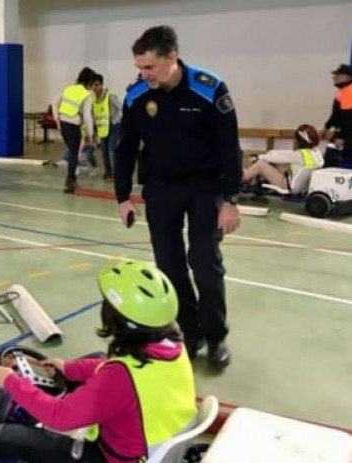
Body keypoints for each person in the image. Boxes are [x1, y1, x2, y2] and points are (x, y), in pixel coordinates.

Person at [0, 260, 197, 463]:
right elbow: (110, 369)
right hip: (153, 446)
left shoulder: (121, 376)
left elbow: (59, 416)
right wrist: (67, 368)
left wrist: (11, 381)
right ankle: (28, 401)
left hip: (116, 459)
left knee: (27, 439)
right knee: (97, 361)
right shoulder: (170, 347)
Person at [114, 25, 241, 369]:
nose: (144, 74)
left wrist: (231, 199)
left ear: (172, 57)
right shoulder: (137, 95)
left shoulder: (208, 89)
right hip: (162, 190)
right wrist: (122, 196)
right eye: (139, 67)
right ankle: (189, 334)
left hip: (205, 189)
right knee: (169, 268)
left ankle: (216, 338)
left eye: (150, 67)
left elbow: (229, 146)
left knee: (205, 264)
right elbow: (125, 147)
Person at [54, 68, 101, 193]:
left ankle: (73, 179)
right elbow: (87, 116)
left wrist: (57, 120)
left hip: (63, 125)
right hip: (74, 126)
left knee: (72, 152)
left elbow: (54, 103)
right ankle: (69, 182)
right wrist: (91, 134)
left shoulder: (68, 88)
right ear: (89, 81)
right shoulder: (87, 94)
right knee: (73, 155)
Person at [242, 124, 324, 194]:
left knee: (260, 164)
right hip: (303, 187)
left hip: (287, 185)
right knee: (275, 165)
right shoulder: (315, 153)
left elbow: (277, 157)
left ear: (299, 141)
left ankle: (239, 179)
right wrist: (268, 155)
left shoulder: (299, 155)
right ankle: (252, 181)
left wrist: (258, 157)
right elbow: (284, 155)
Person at [93, 73, 123, 181]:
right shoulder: (92, 99)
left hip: (114, 125)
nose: (94, 88)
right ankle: (108, 172)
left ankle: (117, 172)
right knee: (104, 150)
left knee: (112, 149)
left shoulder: (110, 97)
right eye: (92, 85)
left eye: (96, 85)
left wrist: (118, 120)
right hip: (102, 128)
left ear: (101, 85)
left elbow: (121, 108)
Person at [324, 64, 352, 168]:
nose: (334, 77)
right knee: (331, 158)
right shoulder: (342, 92)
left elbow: (348, 118)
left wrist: (342, 138)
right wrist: (327, 127)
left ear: (348, 77)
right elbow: (336, 115)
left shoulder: (349, 91)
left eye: (338, 75)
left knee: (331, 161)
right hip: (342, 136)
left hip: (346, 137)